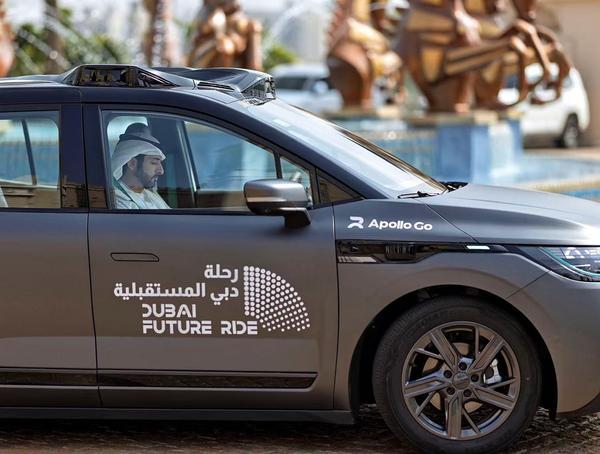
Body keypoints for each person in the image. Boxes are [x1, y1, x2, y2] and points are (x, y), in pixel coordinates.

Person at [111, 123, 170, 209]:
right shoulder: (118, 204)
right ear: (132, 163)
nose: (161, 171)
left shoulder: (151, 196)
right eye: (154, 162)